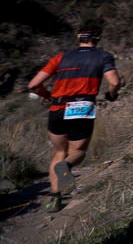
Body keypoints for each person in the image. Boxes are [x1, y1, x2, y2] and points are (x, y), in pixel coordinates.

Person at [27, 27, 120, 212]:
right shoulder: (103, 56)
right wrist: (111, 95)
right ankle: (67, 166)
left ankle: (55, 198)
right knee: (78, 151)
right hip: (82, 107)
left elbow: (34, 85)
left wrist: (47, 95)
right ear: (97, 39)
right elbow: (114, 82)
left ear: (79, 39)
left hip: (58, 108)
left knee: (59, 151)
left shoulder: (60, 57)